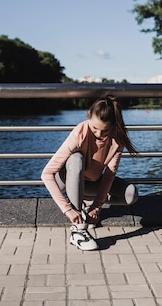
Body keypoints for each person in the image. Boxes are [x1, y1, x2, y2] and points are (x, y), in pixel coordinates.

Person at [41, 95, 139, 251]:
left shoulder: (117, 140)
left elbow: (109, 176)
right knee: (76, 159)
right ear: (88, 115)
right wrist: (67, 209)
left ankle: (87, 207)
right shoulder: (80, 132)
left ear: (113, 126)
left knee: (131, 194)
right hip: (66, 178)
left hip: (91, 182)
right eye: (95, 129)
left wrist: (97, 207)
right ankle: (78, 229)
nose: (99, 135)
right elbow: (47, 174)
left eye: (105, 131)